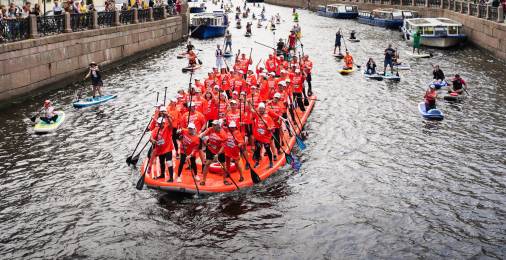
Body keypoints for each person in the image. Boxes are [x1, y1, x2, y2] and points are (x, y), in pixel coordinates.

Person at [149, 107, 174, 182]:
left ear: (163, 123)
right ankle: (162, 174)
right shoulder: (156, 130)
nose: (160, 125)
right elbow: (150, 138)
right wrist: (153, 141)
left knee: (169, 162)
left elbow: (171, 125)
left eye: (161, 123)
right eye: (159, 124)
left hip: (168, 148)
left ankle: (171, 178)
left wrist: (167, 116)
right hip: (160, 149)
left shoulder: (167, 127)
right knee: (161, 162)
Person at [200, 120, 228, 186]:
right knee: (207, 163)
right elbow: (202, 135)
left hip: (220, 151)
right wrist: (205, 142)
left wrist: (217, 154)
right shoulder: (210, 129)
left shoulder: (223, 135)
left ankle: (225, 180)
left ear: (218, 126)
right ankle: (203, 180)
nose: (213, 126)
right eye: (212, 124)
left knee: (223, 165)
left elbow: (223, 147)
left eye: (214, 125)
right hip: (210, 149)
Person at [251, 102, 275, 168]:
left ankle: (270, 161)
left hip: (266, 137)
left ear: (264, 109)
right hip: (258, 137)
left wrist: (270, 128)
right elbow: (251, 109)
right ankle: (257, 162)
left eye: (262, 109)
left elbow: (273, 127)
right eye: (260, 109)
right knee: (258, 149)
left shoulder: (268, 117)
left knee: (267, 149)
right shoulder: (256, 115)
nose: (261, 110)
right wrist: (249, 102)